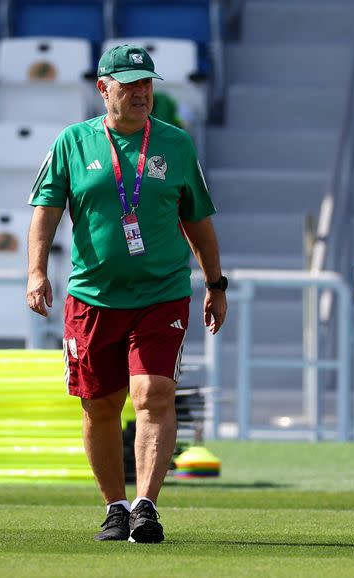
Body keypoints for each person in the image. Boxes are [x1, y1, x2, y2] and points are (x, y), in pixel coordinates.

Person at [26, 44, 227, 544]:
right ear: (104, 88)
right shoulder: (72, 142)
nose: (141, 93)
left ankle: (146, 506)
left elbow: (197, 219)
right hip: (93, 296)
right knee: (99, 405)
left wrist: (215, 283)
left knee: (153, 393)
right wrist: (36, 272)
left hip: (161, 293)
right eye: (130, 84)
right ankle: (115, 506)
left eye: (147, 84)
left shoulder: (177, 145)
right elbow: (45, 211)